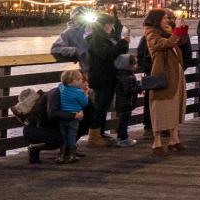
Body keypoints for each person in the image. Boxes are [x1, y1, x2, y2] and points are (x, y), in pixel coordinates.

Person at [143, 8, 189, 157]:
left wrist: (181, 28)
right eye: (164, 18)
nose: (167, 20)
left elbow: (180, 41)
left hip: (174, 72)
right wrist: (176, 32)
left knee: (175, 103)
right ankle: (157, 142)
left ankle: (173, 139)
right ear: (157, 20)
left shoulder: (167, 30)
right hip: (163, 73)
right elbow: (166, 44)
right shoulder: (151, 33)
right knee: (160, 105)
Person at [85, 13, 129, 148]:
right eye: (109, 24)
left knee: (103, 106)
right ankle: (93, 137)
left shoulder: (105, 38)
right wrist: (122, 43)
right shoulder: (97, 39)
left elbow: (114, 51)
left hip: (107, 77)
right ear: (103, 25)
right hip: (101, 78)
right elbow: (107, 54)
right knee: (99, 107)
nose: (111, 27)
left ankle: (100, 133)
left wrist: (123, 43)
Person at [56, 69, 88, 164]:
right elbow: (84, 103)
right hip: (74, 116)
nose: (82, 81)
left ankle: (62, 155)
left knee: (63, 135)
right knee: (72, 135)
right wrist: (85, 94)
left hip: (63, 116)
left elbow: (60, 85)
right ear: (72, 81)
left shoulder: (61, 88)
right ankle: (72, 155)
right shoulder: (79, 92)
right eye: (79, 79)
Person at [112, 54, 139, 147]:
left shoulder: (124, 75)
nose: (137, 65)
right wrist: (139, 88)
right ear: (129, 65)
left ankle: (121, 137)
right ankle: (123, 139)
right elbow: (127, 91)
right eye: (135, 64)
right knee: (124, 121)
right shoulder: (127, 77)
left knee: (122, 121)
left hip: (122, 103)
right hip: (125, 103)